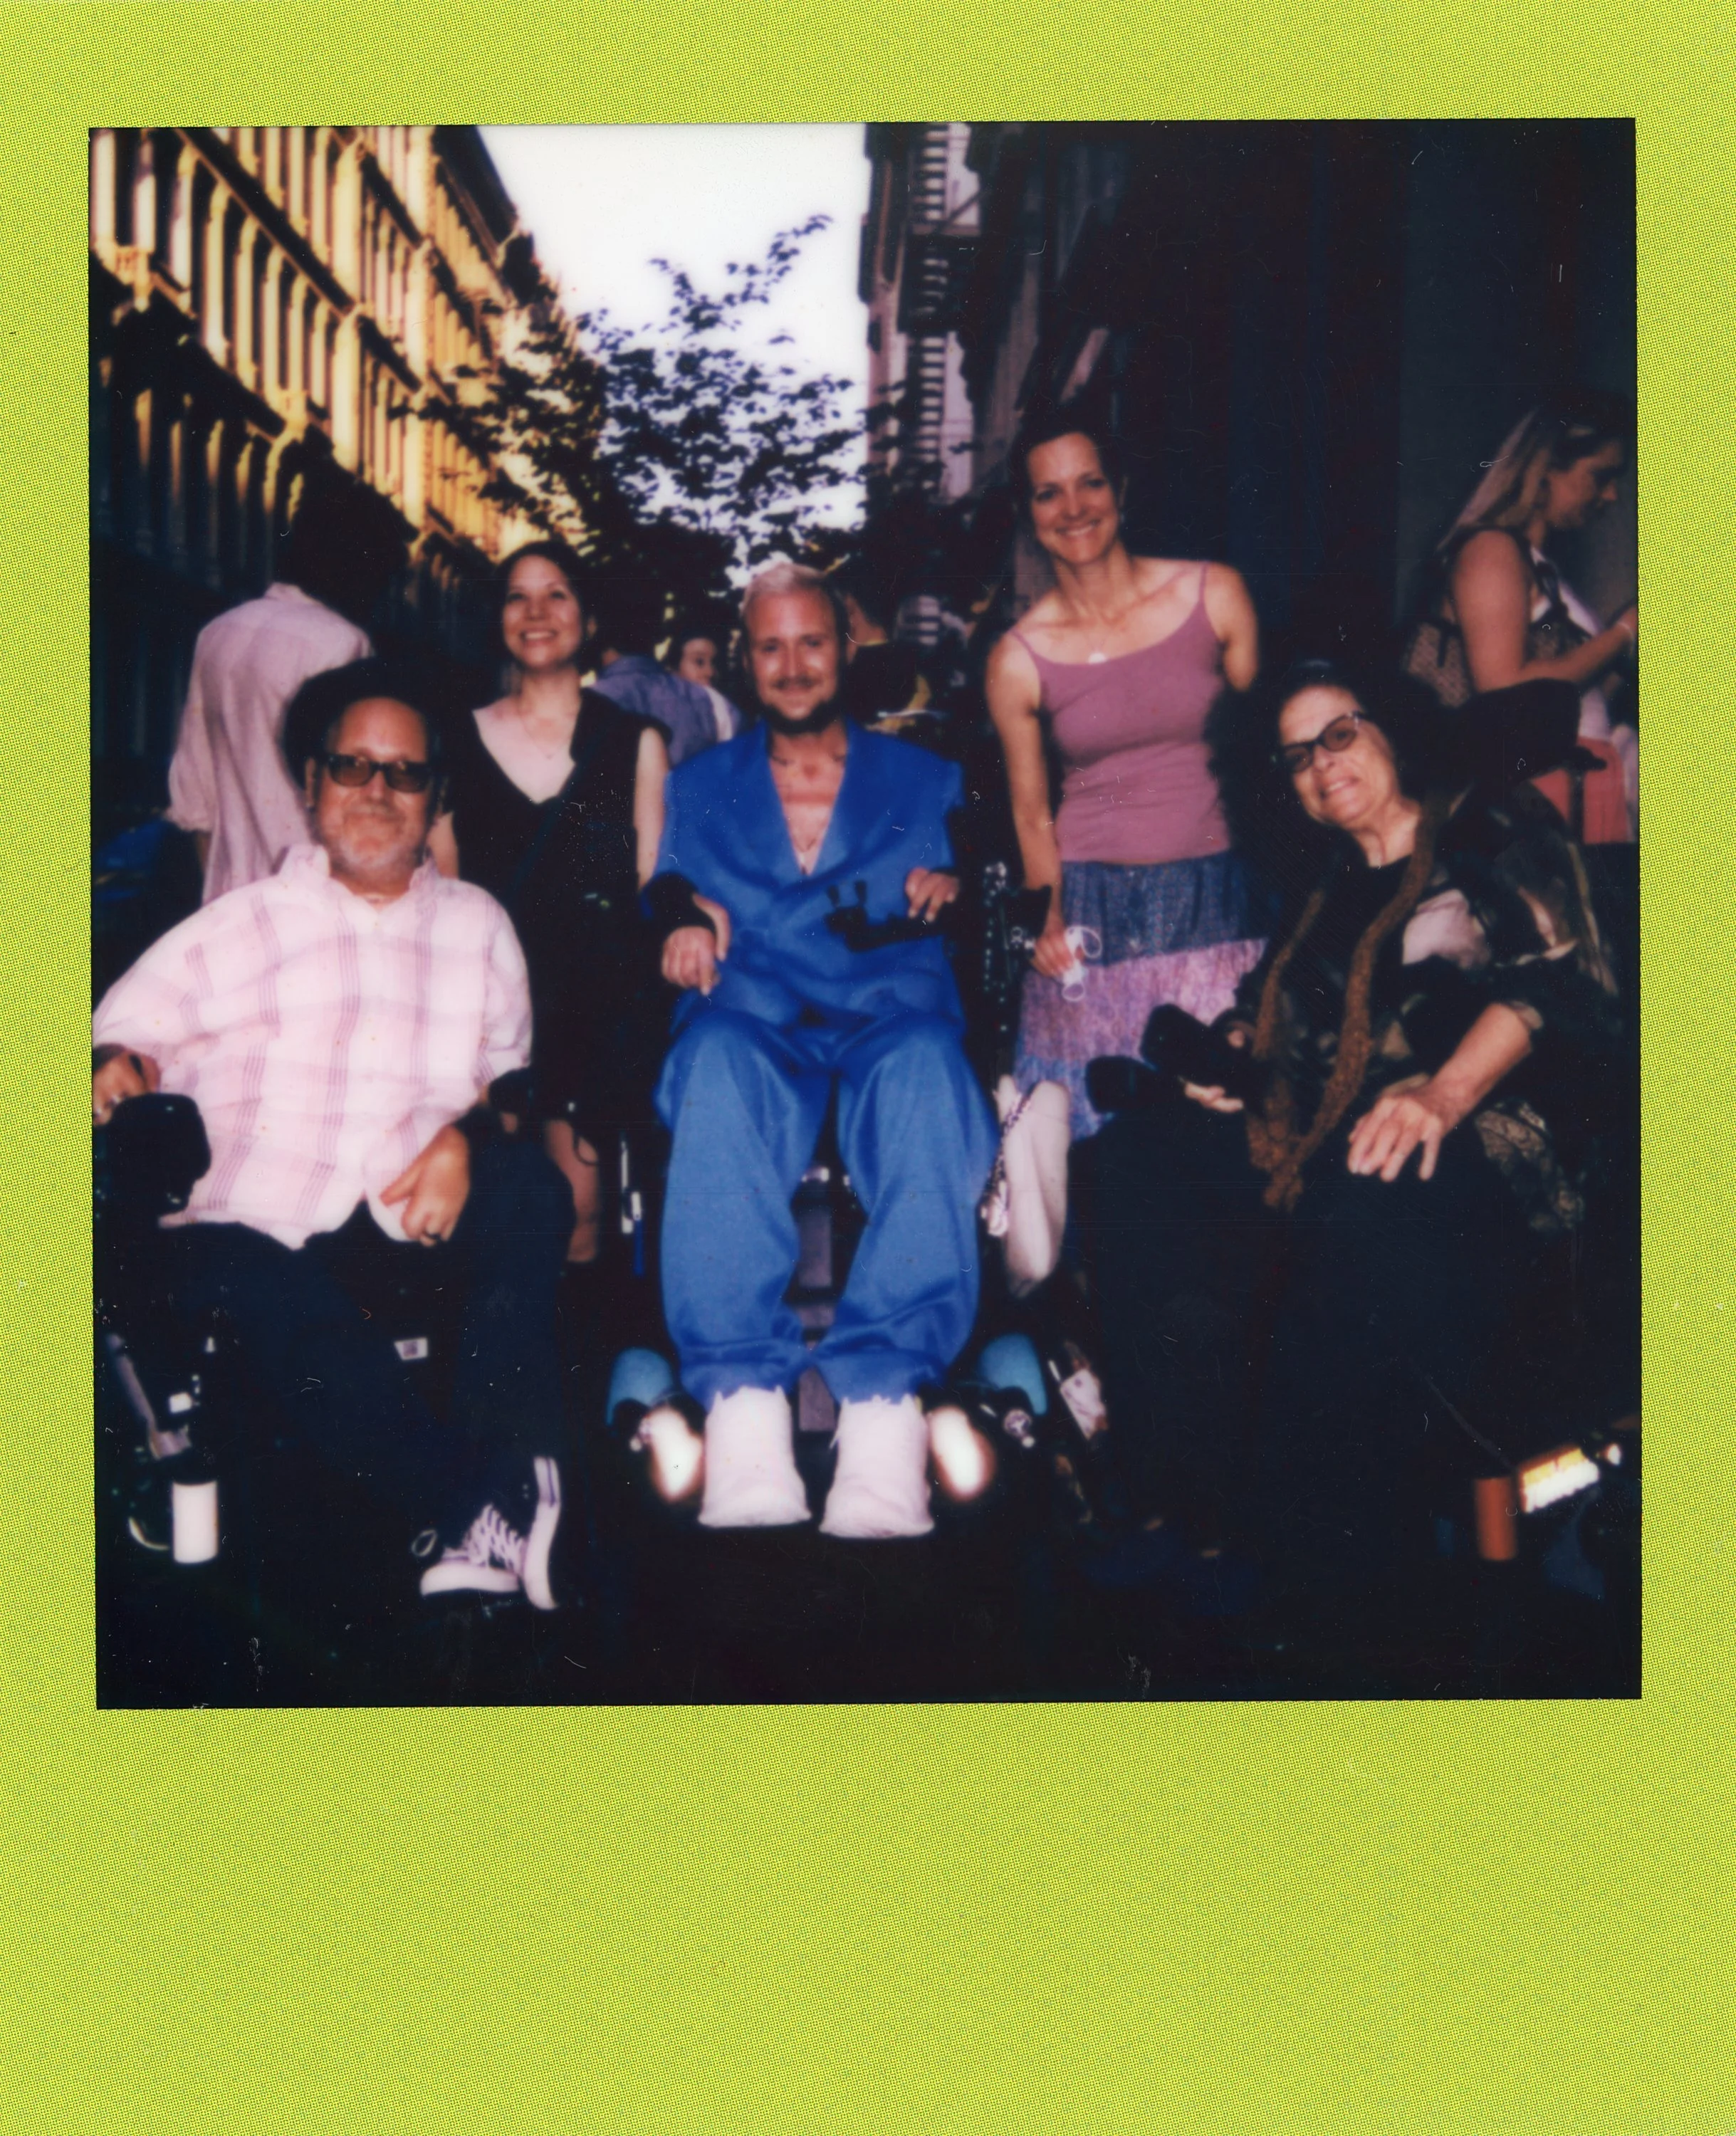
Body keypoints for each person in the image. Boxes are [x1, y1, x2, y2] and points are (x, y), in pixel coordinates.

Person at [1076, 657, 1625, 1596]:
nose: (1321, 765)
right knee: (1126, 1165)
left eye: (1338, 733)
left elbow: (1562, 977)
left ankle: (1314, 1557)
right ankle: (1189, 1500)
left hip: (1496, 1138)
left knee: (1353, 1199)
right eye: (1295, 757)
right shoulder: (1326, 888)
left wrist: (1441, 1094)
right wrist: (1238, 1051)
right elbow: (1277, 1016)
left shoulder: (1487, 823)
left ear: (1390, 730)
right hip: (1330, 1136)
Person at [93, 659, 577, 1610]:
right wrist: (118, 1064)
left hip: (402, 1220)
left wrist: (471, 1140)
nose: (376, 792)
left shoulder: (479, 928)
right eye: (352, 767)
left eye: (403, 773)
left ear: (435, 795)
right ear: (311, 786)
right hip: (245, 1232)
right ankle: (484, 1493)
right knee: (235, 1274)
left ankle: (480, 1505)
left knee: (529, 1184)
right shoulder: (235, 925)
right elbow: (121, 1035)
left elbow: (510, 1086)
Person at [642, 560, 999, 1539]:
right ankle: (744, 1406)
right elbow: (662, 887)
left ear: (845, 650)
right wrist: (677, 916)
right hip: (752, 1008)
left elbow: (992, 888)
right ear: (746, 661)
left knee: (930, 1072)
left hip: (888, 1008)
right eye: (769, 646)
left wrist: (960, 895)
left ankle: (883, 1410)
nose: (792, 664)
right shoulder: (698, 786)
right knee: (711, 1065)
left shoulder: (930, 780)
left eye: (811, 641)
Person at [985, 398, 1265, 1138]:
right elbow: (1030, 813)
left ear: (1122, 490)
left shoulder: (1215, 594)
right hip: (1090, 910)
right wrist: (1045, 917)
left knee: (1217, 1124)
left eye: (1090, 483)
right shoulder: (1017, 656)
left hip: (1217, 895)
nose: (1072, 508)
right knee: (1091, 1132)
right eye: (1047, 492)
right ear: (1027, 511)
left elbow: (1266, 763)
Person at [428, 541, 669, 1265]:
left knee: (577, 1224)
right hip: (485, 1017)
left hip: (591, 1022)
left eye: (555, 594)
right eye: (516, 596)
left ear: (587, 617)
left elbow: (652, 888)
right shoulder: (453, 743)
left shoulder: (632, 743)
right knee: (491, 1218)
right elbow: (440, 897)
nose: (535, 613)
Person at [1406, 389, 1638, 842]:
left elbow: (1570, 693)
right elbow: (1507, 691)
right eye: (1601, 476)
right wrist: (1623, 633)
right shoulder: (1490, 550)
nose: (1611, 495)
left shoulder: (1539, 565)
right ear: (1548, 466)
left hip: (1582, 777)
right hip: (1541, 792)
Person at [167, 481, 407, 902]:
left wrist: (222, 901)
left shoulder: (217, 634)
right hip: (310, 908)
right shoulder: (342, 644)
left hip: (228, 905)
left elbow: (194, 802)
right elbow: (353, 801)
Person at [590, 574, 736, 765]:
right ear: (660, 630)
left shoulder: (583, 706)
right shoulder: (716, 704)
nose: (710, 672)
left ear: (593, 627)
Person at [667, 610, 744, 747]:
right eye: (699, 662)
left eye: (715, 663)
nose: (710, 672)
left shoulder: (729, 714)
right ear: (674, 669)